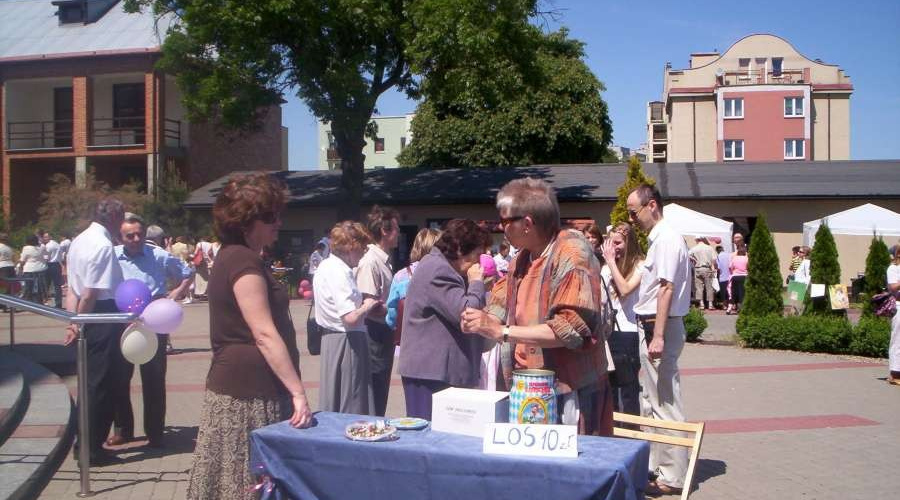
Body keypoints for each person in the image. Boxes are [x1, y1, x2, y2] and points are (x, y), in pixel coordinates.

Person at [188, 173, 312, 499]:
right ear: (245, 222)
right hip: (249, 393)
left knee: (236, 483)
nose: (278, 223)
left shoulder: (235, 256)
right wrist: (298, 392)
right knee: (246, 483)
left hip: (243, 386)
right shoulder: (243, 260)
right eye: (269, 217)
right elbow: (264, 333)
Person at [461, 178, 613, 436]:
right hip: (528, 390)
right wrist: (479, 322)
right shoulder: (520, 259)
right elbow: (499, 309)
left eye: (505, 221)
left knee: (572, 460)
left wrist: (502, 332)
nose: (501, 227)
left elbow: (570, 330)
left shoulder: (573, 254)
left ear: (527, 223)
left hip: (569, 393)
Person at [107, 214, 193, 448]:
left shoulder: (159, 255)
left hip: (154, 321)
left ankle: (155, 432)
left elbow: (187, 272)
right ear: (119, 237)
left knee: (154, 379)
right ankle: (123, 430)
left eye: (140, 234)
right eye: (130, 236)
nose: (136, 239)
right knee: (119, 378)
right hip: (123, 321)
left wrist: (175, 294)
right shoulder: (112, 256)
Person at [627, 183, 691, 496]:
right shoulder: (661, 238)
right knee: (652, 401)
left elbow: (666, 288)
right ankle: (658, 467)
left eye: (633, 212)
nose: (631, 218)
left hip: (658, 325)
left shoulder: (666, 239)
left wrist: (659, 335)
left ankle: (673, 476)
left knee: (665, 403)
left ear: (651, 205)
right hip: (653, 324)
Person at [398, 220, 489, 419]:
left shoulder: (440, 266)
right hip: (430, 375)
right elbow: (467, 314)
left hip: (436, 373)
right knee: (428, 433)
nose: (478, 263)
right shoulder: (438, 269)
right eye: (476, 255)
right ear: (460, 249)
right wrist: (476, 283)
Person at [62, 198, 126, 466]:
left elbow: (72, 289)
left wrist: (73, 320)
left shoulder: (79, 240)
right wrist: (81, 321)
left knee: (90, 384)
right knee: (101, 385)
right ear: (114, 217)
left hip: (86, 313)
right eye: (122, 217)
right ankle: (92, 450)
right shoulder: (102, 245)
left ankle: (85, 445)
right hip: (100, 315)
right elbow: (90, 292)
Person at [314, 221, 381, 415]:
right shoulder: (339, 271)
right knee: (352, 402)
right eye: (362, 248)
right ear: (352, 246)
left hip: (332, 339)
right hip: (347, 340)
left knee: (336, 400)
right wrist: (368, 305)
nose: (364, 253)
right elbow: (350, 317)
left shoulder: (326, 266)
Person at [356, 205, 400, 416]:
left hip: (384, 332)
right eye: (396, 228)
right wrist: (398, 310)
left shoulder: (383, 260)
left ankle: (376, 423)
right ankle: (372, 427)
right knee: (376, 388)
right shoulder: (371, 261)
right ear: (384, 230)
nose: (398, 233)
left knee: (381, 387)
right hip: (374, 333)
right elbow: (369, 306)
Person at [600, 222, 646, 417]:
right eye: (610, 243)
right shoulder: (607, 268)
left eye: (618, 243)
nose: (613, 247)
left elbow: (625, 290)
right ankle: (612, 427)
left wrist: (611, 263)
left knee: (628, 388)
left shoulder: (640, 265)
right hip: (609, 331)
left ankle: (630, 427)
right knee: (610, 387)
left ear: (629, 242)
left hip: (629, 331)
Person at [385, 228, 442, 333]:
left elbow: (392, 314)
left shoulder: (401, 276)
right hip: (438, 336)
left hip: (408, 336)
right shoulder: (446, 274)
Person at [17, 234, 48, 304]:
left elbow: (22, 260)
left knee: (28, 288)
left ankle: (28, 303)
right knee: (40, 288)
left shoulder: (26, 248)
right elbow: (46, 256)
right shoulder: (41, 247)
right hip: (41, 269)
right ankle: (39, 302)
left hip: (29, 270)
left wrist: (20, 268)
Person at [689, 236, 718, 310]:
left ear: (697, 240)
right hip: (707, 268)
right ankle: (710, 304)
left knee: (698, 287)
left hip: (697, 268)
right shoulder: (709, 248)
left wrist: (694, 259)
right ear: (703, 239)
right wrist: (713, 268)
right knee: (709, 287)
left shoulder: (694, 248)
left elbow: (687, 255)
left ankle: (701, 304)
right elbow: (714, 259)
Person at [40, 230, 64, 308]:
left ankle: (44, 302)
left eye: (46, 237)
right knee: (57, 285)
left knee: (46, 284)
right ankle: (58, 303)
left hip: (50, 264)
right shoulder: (57, 244)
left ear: (50, 237)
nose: (45, 238)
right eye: (44, 237)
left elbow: (46, 257)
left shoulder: (48, 246)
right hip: (57, 264)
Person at [887, 246, 900, 386]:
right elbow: (893, 287)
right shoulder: (893, 268)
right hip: (898, 305)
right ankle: (894, 373)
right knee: (897, 339)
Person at [729, 244, 749, 314]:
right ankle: (742, 307)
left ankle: (736, 307)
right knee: (743, 292)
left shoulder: (734, 258)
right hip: (744, 276)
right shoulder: (747, 258)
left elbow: (730, 267)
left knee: (735, 292)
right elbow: (749, 267)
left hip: (735, 276)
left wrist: (733, 272)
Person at [0, 233, 16, 311]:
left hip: (2, 266)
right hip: (10, 266)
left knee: (3, 287)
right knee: (10, 286)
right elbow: (13, 258)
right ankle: (11, 304)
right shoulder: (9, 248)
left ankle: (2, 305)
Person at [715, 245, 731, 311]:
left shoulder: (718, 256)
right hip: (730, 276)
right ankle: (731, 305)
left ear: (717, 251)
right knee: (730, 292)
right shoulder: (729, 255)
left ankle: (724, 305)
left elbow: (718, 268)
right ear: (722, 249)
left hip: (722, 277)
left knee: (723, 292)